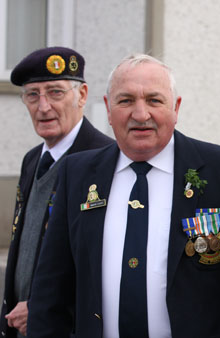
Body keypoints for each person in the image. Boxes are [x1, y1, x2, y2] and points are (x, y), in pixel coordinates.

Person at [26, 54, 220, 338]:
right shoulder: (77, 173)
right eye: (125, 101)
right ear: (108, 109)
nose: (140, 115)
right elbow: (50, 289)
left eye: (154, 100)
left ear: (176, 107)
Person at [0, 47, 113, 337]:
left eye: (55, 92)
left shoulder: (104, 160)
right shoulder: (32, 160)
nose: (43, 106)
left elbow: (102, 261)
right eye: (33, 95)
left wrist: (41, 306)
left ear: (82, 95)